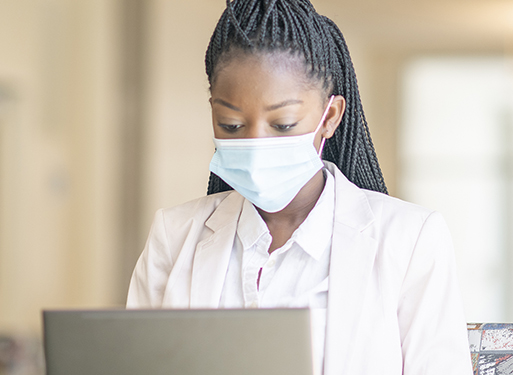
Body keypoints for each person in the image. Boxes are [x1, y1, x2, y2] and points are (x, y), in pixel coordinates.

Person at [126, 0, 473, 374]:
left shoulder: (411, 238)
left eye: (284, 124)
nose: (256, 143)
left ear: (331, 116)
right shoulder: (175, 235)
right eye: (231, 125)